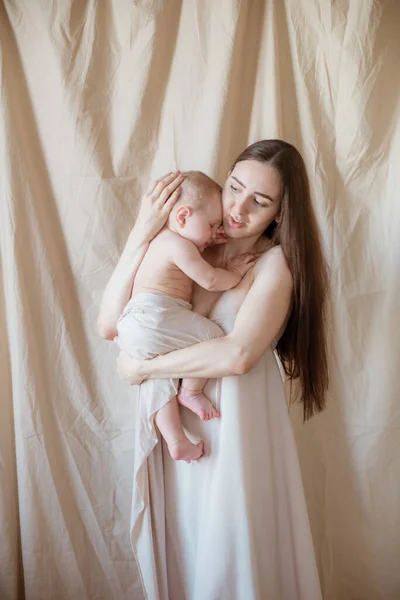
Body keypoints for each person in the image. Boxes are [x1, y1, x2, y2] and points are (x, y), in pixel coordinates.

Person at [98, 140, 328, 600]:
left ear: (280, 214)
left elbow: (238, 355)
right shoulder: (189, 244)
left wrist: (144, 367)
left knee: (232, 552)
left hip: (234, 425)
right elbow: (108, 324)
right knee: (189, 547)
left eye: (259, 202)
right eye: (235, 187)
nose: (239, 208)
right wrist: (140, 233)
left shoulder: (274, 264)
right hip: (182, 432)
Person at [115, 171, 257, 463]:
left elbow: (199, 242)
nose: (215, 233)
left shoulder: (164, 242)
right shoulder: (178, 245)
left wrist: (207, 235)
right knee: (214, 339)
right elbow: (211, 281)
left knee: (158, 373)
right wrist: (237, 272)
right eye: (211, 225)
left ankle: (175, 439)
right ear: (182, 217)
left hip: (135, 323)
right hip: (155, 315)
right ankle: (191, 391)